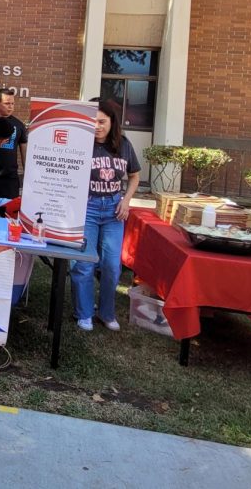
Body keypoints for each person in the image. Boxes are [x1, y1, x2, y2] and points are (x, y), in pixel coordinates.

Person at [69, 99, 141, 332]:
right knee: (83, 262)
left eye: (102, 121)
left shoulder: (124, 144)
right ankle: (84, 312)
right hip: (86, 207)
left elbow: (134, 175)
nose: (97, 126)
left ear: (112, 122)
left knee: (111, 265)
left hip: (113, 210)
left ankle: (106, 312)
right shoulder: (81, 143)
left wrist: (126, 200)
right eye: (93, 121)